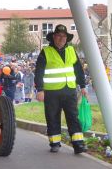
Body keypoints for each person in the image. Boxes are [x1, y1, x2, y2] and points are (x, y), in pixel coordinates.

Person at [35, 24, 87, 154]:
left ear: (67, 38)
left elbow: (78, 70)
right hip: (51, 92)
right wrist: (40, 90)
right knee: (52, 117)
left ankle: (78, 144)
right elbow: (39, 72)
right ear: (54, 37)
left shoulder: (71, 50)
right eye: (59, 36)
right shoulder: (45, 52)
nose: (61, 38)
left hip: (69, 90)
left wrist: (83, 86)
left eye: (64, 36)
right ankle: (55, 143)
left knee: (73, 117)